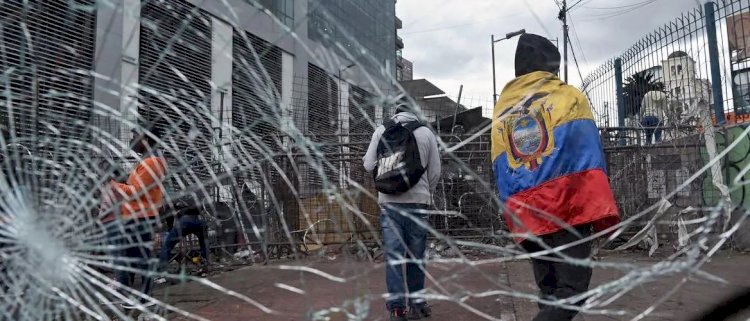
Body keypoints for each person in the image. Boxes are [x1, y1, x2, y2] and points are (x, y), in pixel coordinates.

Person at [492, 33, 620, 321]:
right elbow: (587, 152)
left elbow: (500, 164)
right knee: (572, 291)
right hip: (567, 208)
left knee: (548, 288)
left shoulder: (504, 108)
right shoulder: (569, 96)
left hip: (526, 212)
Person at [363, 99, 441, 321]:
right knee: (416, 255)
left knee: (394, 256)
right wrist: (427, 193)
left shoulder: (382, 130)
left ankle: (397, 309)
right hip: (418, 202)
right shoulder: (426, 133)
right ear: (415, 112)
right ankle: (417, 305)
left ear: (395, 112)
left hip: (389, 202)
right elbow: (435, 171)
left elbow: (369, 165)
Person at [103, 125, 168, 307]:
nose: (133, 142)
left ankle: (145, 299)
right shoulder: (149, 162)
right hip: (136, 216)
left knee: (140, 258)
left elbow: (137, 192)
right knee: (134, 257)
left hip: (140, 217)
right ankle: (137, 297)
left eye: (136, 137)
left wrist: (113, 184)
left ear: (146, 141)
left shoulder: (152, 162)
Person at [158, 198, 209, 273]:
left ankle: (161, 268)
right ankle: (205, 263)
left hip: (185, 221)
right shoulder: (193, 196)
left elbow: (170, 218)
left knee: (167, 245)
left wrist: (171, 229)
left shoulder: (170, 202)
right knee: (204, 243)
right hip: (200, 220)